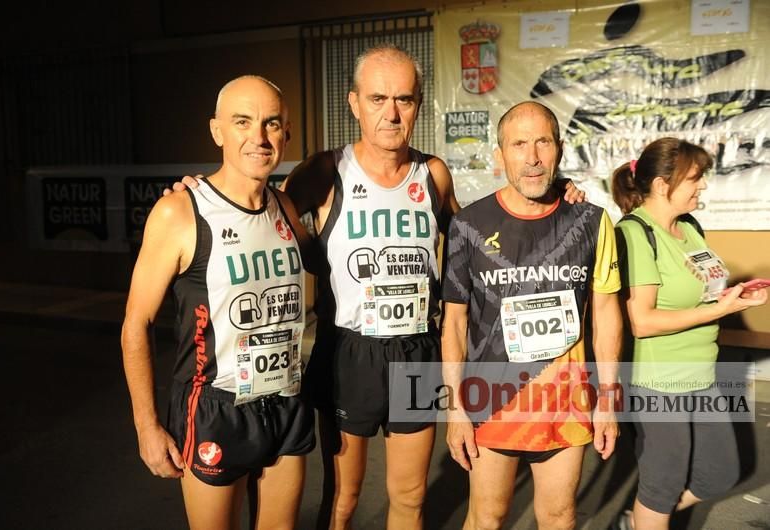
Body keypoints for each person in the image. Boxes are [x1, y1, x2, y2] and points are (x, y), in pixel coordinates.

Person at [172, 44, 586, 530]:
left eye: (405, 100)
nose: (391, 113)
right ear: (354, 103)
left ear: (417, 105)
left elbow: (476, 239)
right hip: (349, 353)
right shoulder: (326, 169)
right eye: (377, 98)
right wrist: (201, 192)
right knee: (343, 499)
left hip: (416, 350)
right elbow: (259, 211)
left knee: (409, 497)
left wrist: (558, 197)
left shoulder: (431, 173)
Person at [121, 76, 315, 530]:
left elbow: (331, 265)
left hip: (285, 399)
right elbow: (136, 324)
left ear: (286, 132)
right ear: (217, 131)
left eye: (272, 123)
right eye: (243, 122)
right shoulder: (180, 211)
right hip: (215, 406)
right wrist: (146, 427)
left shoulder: (284, 207)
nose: (259, 138)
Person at [441, 101, 622, 530]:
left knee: (560, 516)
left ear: (559, 149)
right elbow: (453, 322)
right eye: (518, 144)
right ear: (499, 155)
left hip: (566, 399)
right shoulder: (468, 225)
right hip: (491, 399)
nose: (533, 157)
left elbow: (608, 315)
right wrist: (453, 408)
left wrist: (609, 399)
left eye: (543, 142)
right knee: (488, 517)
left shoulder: (592, 222)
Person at [611, 137, 767, 529]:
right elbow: (641, 322)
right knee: (661, 489)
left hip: (702, 374)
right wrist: (718, 310)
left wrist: (735, 297)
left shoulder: (690, 228)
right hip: (658, 382)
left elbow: (701, 293)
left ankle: (635, 522)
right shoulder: (635, 234)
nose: (702, 185)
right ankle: (645, 518)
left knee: (720, 472)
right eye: (694, 178)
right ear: (663, 185)